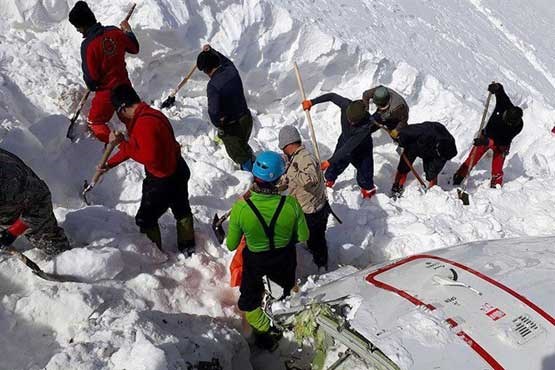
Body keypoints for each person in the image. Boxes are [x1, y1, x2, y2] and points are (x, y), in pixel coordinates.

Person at [226, 151, 309, 351]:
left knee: (249, 304)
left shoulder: (242, 207)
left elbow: (231, 244)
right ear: (279, 178)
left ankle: (267, 330)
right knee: (281, 297)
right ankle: (279, 321)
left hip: (256, 263)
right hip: (284, 260)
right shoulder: (290, 204)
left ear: (254, 176)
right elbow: (303, 236)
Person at [99, 85, 195, 255]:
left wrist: (121, 143)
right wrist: (110, 163)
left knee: (145, 219)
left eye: (118, 112)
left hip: (162, 179)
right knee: (181, 209)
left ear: (122, 108)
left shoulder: (144, 124)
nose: (119, 118)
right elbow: (136, 148)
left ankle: (155, 254)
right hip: (178, 169)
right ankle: (187, 244)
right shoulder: (151, 114)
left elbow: (148, 157)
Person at [69, 1, 139, 143]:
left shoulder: (88, 46)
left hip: (107, 94)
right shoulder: (114, 32)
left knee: (95, 122)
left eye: (77, 27)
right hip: (125, 87)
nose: (78, 31)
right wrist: (127, 31)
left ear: (81, 27)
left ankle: (117, 146)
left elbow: (92, 80)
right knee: (135, 119)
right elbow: (134, 48)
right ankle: (139, 140)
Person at [302, 94, 377, 199]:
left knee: (365, 171)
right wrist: (312, 102)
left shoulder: (365, 126)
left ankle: (368, 190)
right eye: (349, 119)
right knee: (336, 164)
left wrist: (329, 161)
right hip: (344, 140)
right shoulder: (346, 104)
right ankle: (329, 179)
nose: (350, 122)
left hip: (361, 148)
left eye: (353, 122)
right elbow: (332, 96)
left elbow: (348, 148)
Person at [0, 148, 70, 256]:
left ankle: (64, 259)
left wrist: (13, 231)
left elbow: (42, 200)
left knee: (46, 236)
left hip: (27, 200)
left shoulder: (12, 184)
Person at [278, 125, 330, 270]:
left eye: (283, 147)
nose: (282, 151)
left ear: (288, 144)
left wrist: (292, 173)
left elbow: (310, 179)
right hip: (307, 207)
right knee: (313, 237)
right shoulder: (296, 158)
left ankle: (322, 265)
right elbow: (293, 179)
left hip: (313, 211)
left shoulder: (305, 157)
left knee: (316, 238)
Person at [453, 82, 523, 187]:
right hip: (486, 135)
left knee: (497, 168)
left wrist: (486, 142)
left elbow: (502, 141)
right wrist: (497, 87)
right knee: (472, 158)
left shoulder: (518, 126)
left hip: (500, 145)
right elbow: (501, 92)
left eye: (508, 121)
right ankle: (459, 176)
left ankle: (496, 185)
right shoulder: (505, 104)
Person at [197, 44, 255, 170]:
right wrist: (211, 51)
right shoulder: (231, 70)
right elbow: (225, 60)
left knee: (239, 155)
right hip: (246, 119)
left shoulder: (213, 86)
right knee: (243, 145)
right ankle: (252, 160)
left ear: (206, 70)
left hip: (233, 127)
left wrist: (219, 123)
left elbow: (214, 112)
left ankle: (251, 175)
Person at [390, 121, 457, 197]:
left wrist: (432, 175)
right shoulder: (425, 131)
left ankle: (432, 192)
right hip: (416, 144)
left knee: (432, 173)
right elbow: (406, 131)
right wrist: (401, 142)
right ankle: (397, 185)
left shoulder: (448, 149)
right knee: (404, 165)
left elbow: (439, 162)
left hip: (431, 151)